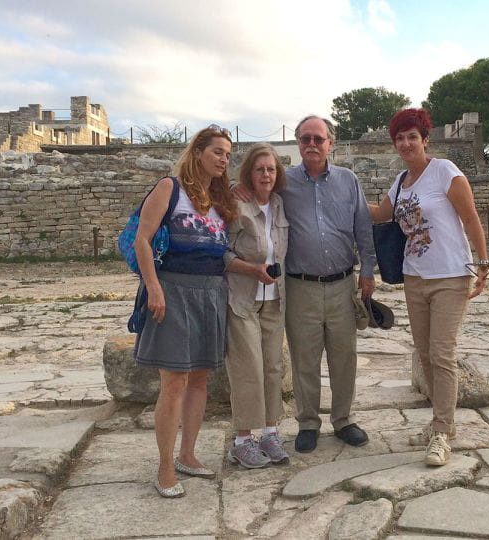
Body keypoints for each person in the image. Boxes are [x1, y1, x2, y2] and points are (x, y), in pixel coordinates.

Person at [234, 115, 376, 453]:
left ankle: (344, 419)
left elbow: (362, 226)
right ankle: (308, 422)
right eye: (305, 139)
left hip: (343, 283)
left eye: (318, 138)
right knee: (304, 359)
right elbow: (255, 189)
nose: (312, 144)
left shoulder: (348, 180)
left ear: (330, 143)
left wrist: (368, 270)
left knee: (344, 356)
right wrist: (235, 188)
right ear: (298, 144)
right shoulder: (284, 182)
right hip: (300, 286)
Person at [368, 108, 489, 466]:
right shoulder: (400, 181)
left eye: (412, 137)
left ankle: (441, 432)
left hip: (450, 275)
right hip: (415, 276)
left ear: (425, 140)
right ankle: (442, 423)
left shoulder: (445, 171)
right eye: (400, 138)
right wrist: (344, 198)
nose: (406, 143)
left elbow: (470, 218)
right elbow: (382, 215)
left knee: (441, 354)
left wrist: (483, 263)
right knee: (424, 355)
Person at [133, 125, 237, 497]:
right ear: (197, 152)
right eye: (217, 151)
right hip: (173, 290)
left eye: (228, 154)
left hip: (211, 292)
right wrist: (153, 287)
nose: (223, 159)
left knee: (200, 379)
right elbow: (142, 240)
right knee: (174, 382)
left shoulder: (219, 197)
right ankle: (164, 467)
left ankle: (187, 455)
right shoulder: (169, 188)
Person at [224, 143, 290, 468]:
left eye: (271, 169)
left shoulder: (280, 203)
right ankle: (242, 440)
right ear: (249, 173)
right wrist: (251, 269)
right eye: (260, 169)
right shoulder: (235, 204)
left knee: (273, 367)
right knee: (247, 368)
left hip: (274, 300)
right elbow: (221, 252)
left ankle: (269, 433)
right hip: (243, 298)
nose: (266, 175)